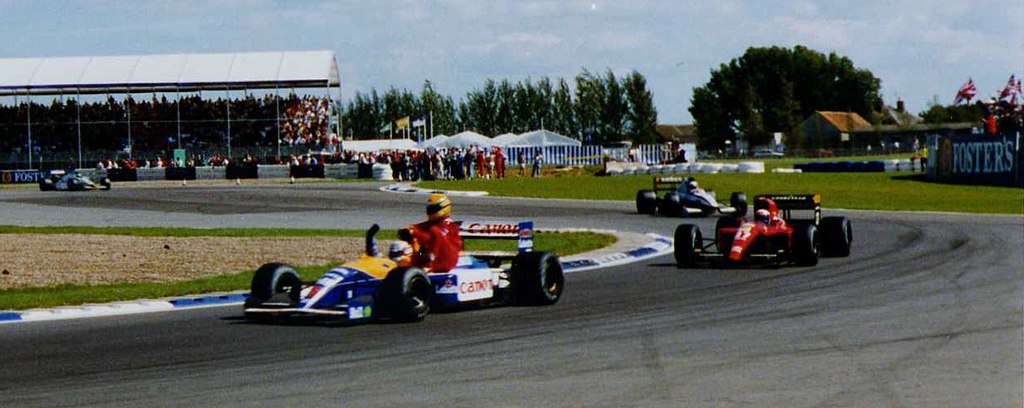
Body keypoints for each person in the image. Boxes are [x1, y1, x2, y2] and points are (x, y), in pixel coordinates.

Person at [401, 193, 463, 272]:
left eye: (433, 208)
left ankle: (425, 264)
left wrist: (416, 233)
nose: (431, 210)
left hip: (446, 263)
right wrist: (409, 230)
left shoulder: (450, 226)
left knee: (434, 233)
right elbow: (419, 228)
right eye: (430, 208)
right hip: (426, 260)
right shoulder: (430, 225)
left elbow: (436, 235)